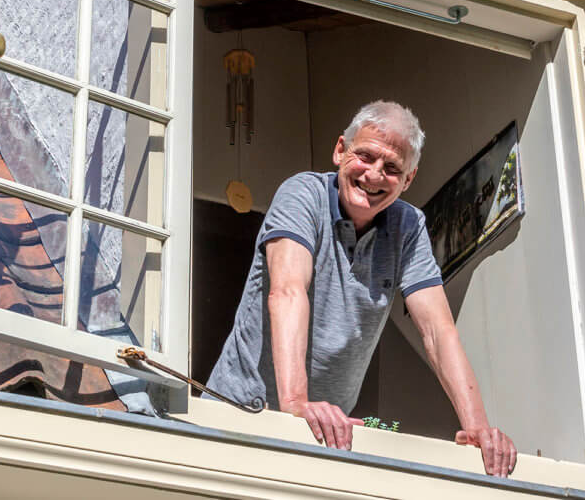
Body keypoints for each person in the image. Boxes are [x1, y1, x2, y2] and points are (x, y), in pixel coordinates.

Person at [207, 100, 517, 477]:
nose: (374, 175)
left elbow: (438, 330)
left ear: (408, 180)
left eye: (391, 168)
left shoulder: (408, 227)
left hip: (322, 434)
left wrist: (479, 429)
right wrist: (296, 403)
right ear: (340, 151)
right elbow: (288, 291)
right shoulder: (303, 195)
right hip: (240, 411)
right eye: (365, 156)